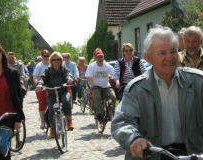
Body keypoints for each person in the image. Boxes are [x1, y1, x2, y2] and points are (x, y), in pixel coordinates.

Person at [111, 25, 203, 160]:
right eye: (162, 53)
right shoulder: (136, 89)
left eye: (173, 51)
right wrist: (134, 138)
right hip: (151, 154)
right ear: (148, 58)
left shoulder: (197, 82)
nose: (170, 58)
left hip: (192, 153)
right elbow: (123, 121)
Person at [36, 52, 74, 138]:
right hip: (52, 93)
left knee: (66, 101)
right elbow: (42, 78)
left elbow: (69, 75)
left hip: (63, 91)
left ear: (61, 60)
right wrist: (40, 84)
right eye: (54, 60)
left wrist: (69, 79)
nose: (56, 61)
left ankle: (69, 121)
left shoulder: (64, 70)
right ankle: (52, 128)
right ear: (51, 61)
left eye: (58, 59)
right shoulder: (48, 70)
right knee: (51, 109)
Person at [85, 49, 116, 124]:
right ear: (95, 58)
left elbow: (114, 74)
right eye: (98, 57)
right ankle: (99, 115)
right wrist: (92, 83)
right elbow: (89, 76)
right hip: (96, 86)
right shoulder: (92, 66)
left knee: (113, 97)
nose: (100, 58)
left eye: (101, 57)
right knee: (97, 97)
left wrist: (116, 80)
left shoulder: (107, 66)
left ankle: (112, 113)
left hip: (106, 86)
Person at [33, 49, 50, 129]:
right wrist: (37, 83)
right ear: (42, 56)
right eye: (44, 56)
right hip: (42, 86)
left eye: (47, 56)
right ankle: (43, 121)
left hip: (51, 86)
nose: (46, 57)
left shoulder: (52, 64)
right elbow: (35, 76)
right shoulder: (39, 65)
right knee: (42, 103)